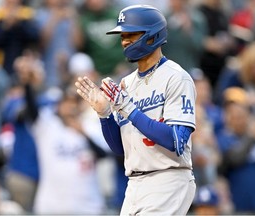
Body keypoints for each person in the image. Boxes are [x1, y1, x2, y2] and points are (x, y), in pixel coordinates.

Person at [75, 4, 197, 215]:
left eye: (132, 34)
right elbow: (120, 149)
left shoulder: (176, 77)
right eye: (123, 35)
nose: (124, 41)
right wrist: (104, 114)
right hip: (134, 184)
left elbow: (176, 141)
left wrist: (128, 108)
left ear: (152, 35)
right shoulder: (127, 84)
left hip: (167, 179)